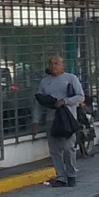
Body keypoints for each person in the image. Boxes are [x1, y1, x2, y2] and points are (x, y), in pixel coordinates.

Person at [33, 54, 84, 188]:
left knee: (68, 148)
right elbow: (39, 103)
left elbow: (80, 97)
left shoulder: (71, 79)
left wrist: (65, 101)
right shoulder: (45, 82)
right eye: (51, 63)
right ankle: (60, 176)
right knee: (55, 150)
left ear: (62, 65)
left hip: (68, 119)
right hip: (52, 119)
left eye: (56, 63)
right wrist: (36, 121)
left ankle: (71, 174)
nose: (53, 66)